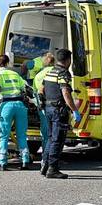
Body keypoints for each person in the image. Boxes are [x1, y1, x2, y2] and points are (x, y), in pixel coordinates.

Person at [0, 54, 31, 170]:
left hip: (7, 106)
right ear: (8, 63)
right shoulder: (15, 74)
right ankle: (25, 161)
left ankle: (2, 162)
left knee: (4, 135)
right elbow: (26, 89)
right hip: (20, 106)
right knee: (22, 135)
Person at [40, 48, 81, 179]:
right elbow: (65, 93)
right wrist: (75, 110)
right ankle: (53, 169)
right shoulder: (64, 73)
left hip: (48, 108)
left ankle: (45, 165)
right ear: (68, 60)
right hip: (59, 110)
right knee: (57, 140)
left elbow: (41, 90)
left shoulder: (49, 72)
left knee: (51, 138)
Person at [30, 51, 56, 171]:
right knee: (54, 135)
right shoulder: (55, 72)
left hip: (42, 107)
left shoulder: (38, 75)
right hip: (54, 106)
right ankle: (49, 160)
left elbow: (35, 92)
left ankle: (44, 159)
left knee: (45, 134)